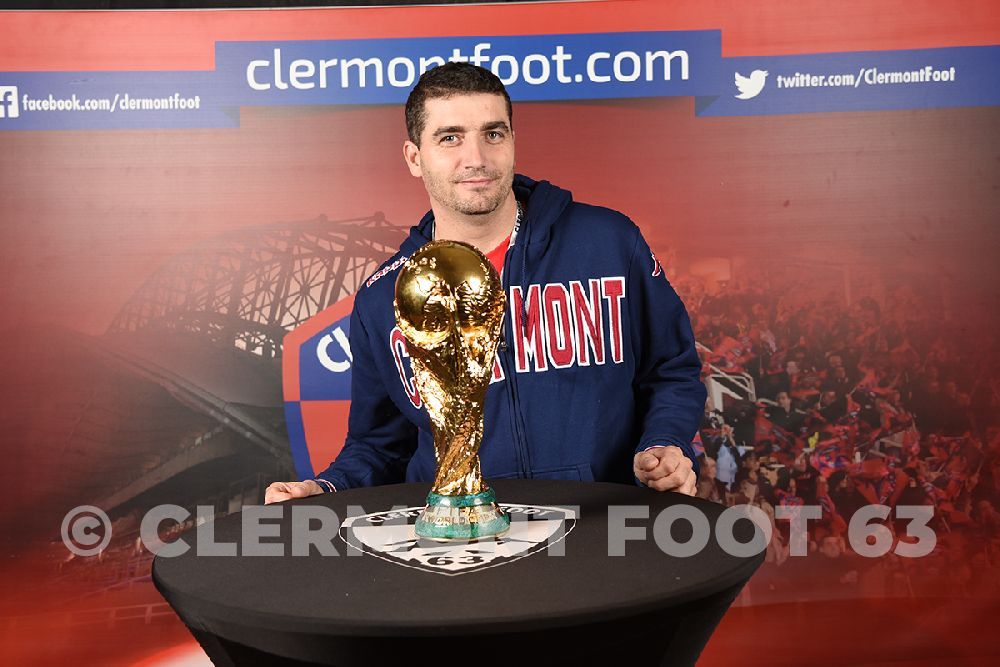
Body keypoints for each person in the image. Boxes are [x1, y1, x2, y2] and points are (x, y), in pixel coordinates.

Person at [266, 63, 706, 504]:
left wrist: (664, 444)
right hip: (464, 549)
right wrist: (325, 488)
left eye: (493, 134)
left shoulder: (608, 241)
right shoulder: (385, 297)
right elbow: (381, 445)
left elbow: (671, 370)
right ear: (415, 157)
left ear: (513, 141)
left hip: (603, 526)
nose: (476, 158)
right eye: (450, 137)